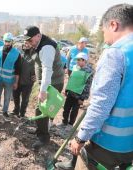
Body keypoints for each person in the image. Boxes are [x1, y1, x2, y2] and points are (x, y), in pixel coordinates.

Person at [69, 4, 133, 170]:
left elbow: (101, 103)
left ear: (113, 25)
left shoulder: (116, 53)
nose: (103, 35)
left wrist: (81, 138)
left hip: (108, 144)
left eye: (103, 30)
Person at [23, 26, 64, 149]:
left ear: (38, 36)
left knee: (42, 111)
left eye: (30, 40)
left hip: (53, 83)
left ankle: (44, 138)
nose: (28, 42)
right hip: (46, 82)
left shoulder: (46, 47)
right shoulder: (37, 44)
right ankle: (39, 130)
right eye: (26, 40)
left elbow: (47, 70)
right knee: (40, 110)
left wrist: (43, 90)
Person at [0, 32, 21, 118]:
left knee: (7, 97)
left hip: (9, 80)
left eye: (9, 41)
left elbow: (18, 70)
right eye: (6, 41)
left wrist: (16, 82)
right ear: (3, 40)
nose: (7, 43)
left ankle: (5, 111)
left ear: (12, 41)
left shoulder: (16, 53)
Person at [62, 52, 93, 126]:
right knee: (66, 108)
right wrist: (66, 89)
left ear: (84, 60)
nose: (77, 61)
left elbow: (87, 86)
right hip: (70, 93)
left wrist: (82, 98)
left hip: (78, 96)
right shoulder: (75, 67)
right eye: (77, 60)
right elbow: (71, 79)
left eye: (79, 60)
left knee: (74, 111)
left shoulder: (88, 71)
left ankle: (70, 125)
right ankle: (64, 122)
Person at [11, 41, 36, 118]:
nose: (26, 45)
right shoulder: (19, 52)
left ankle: (22, 114)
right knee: (15, 96)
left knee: (25, 99)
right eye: (25, 43)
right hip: (17, 80)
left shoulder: (35, 54)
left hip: (28, 81)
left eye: (28, 43)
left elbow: (40, 66)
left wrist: (37, 75)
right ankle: (16, 110)